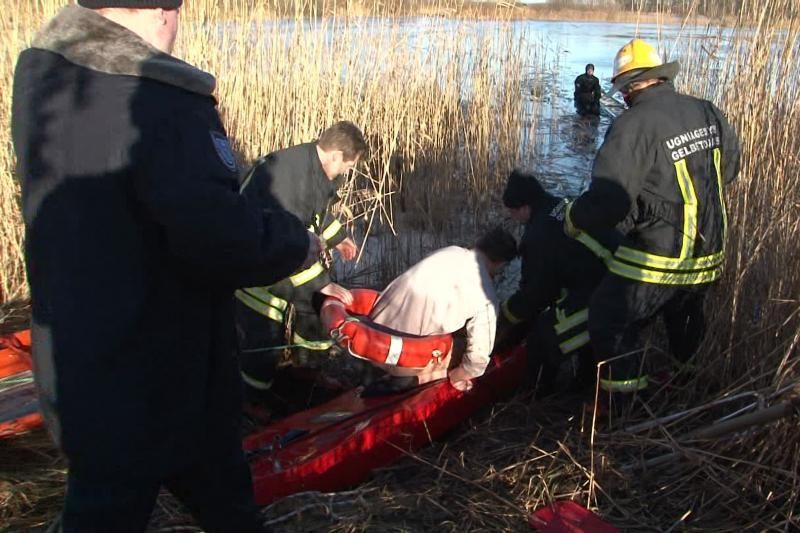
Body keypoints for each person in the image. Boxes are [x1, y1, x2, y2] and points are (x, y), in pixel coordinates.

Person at [11, 2, 318, 531]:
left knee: (109, 500)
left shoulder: (43, 71)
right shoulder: (162, 100)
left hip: (76, 361)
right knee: (205, 504)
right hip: (164, 375)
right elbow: (220, 238)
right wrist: (297, 243)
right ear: (160, 11)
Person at [564, 39, 741, 408]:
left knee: (610, 319)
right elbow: (730, 170)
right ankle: (687, 393)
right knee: (684, 318)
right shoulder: (707, 111)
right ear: (660, 77)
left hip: (660, 261)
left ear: (629, 87)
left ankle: (625, 411)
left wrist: (573, 216)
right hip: (708, 256)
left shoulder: (632, 124)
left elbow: (608, 202)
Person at [235, 122, 367, 393]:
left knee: (315, 304)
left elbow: (315, 214)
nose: (347, 171)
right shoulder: (292, 178)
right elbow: (288, 245)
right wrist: (322, 283)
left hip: (276, 254)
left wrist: (337, 237)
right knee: (263, 333)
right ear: (336, 156)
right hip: (252, 263)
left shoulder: (314, 168)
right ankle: (251, 396)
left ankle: (306, 371)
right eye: (348, 165)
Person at [362, 228, 518, 396]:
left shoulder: (449, 251)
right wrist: (460, 375)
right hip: (400, 358)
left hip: (369, 337)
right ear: (501, 263)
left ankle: (370, 377)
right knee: (460, 349)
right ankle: (407, 384)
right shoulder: (486, 296)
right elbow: (477, 360)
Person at [499, 171, 606, 396]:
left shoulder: (537, 236)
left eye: (513, 212)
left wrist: (505, 318)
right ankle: (585, 380)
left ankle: (537, 394)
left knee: (545, 336)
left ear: (523, 207)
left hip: (603, 295)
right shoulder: (562, 203)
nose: (513, 217)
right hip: (611, 277)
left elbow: (535, 296)